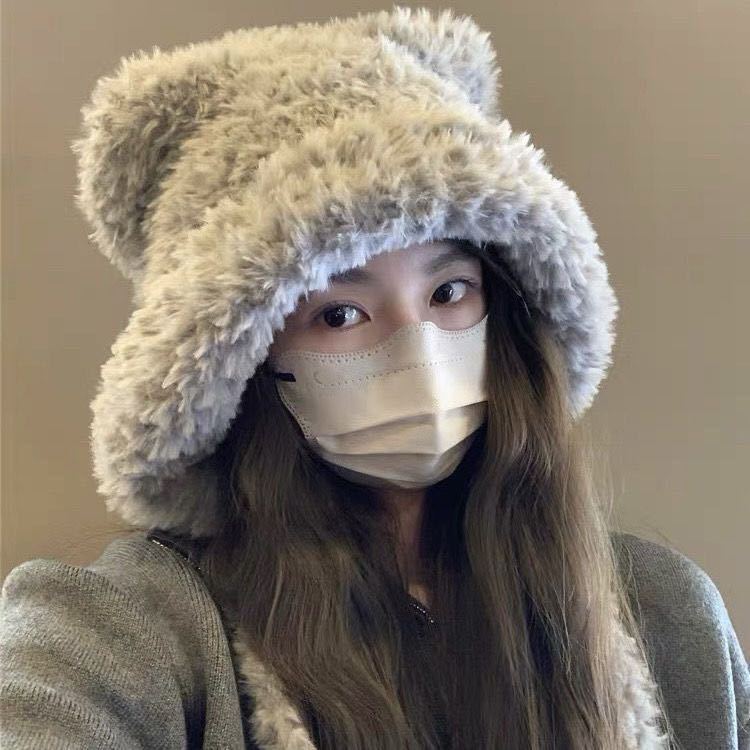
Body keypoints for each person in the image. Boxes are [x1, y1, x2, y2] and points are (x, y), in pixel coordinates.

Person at [1, 6, 747, 750]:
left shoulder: (666, 617)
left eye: (449, 292)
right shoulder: (125, 630)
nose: (418, 351)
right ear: (244, 362)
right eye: (339, 314)